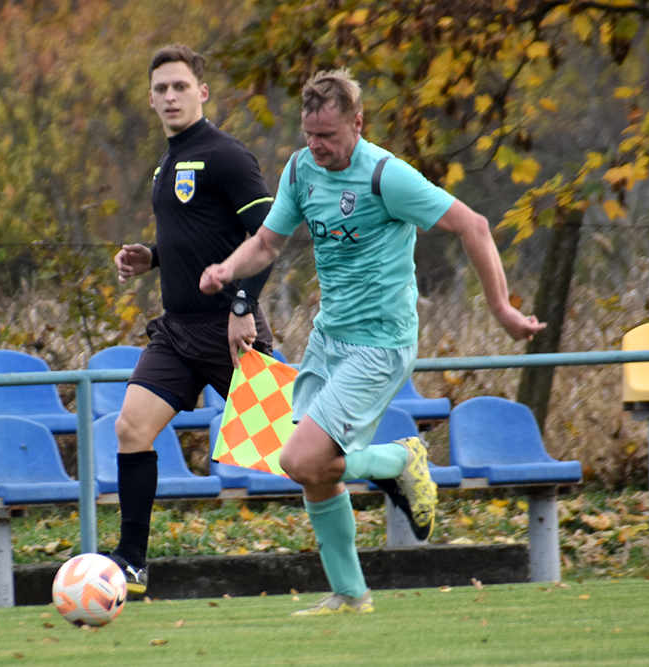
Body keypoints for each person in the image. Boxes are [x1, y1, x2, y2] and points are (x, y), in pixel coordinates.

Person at [200, 68, 545, 615]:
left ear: (357, 124)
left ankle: (398, 459)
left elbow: (474, 225)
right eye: (309, 134)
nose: (316, 145)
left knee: (298, 457)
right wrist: (227, 269)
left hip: (380, 345)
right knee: (315, 470)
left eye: (328, 135)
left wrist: (502, 308)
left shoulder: (387, 176)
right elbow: (265, 244)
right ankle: (351, 595)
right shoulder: (300, 169)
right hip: (329, 338)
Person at [109, 44, 275, 596]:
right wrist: (154, 257)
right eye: (161, 88)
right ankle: (132, 560)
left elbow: (267, 241)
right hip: (177, 332)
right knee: (131, 428)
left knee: (297, 453)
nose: (171, 96)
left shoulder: (226, 155)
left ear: (202, 92)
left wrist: (242, 308)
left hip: (229, 330)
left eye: (180, 86)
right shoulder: (166, 163)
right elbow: (200, 234)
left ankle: (393, 468)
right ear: (150, 98)